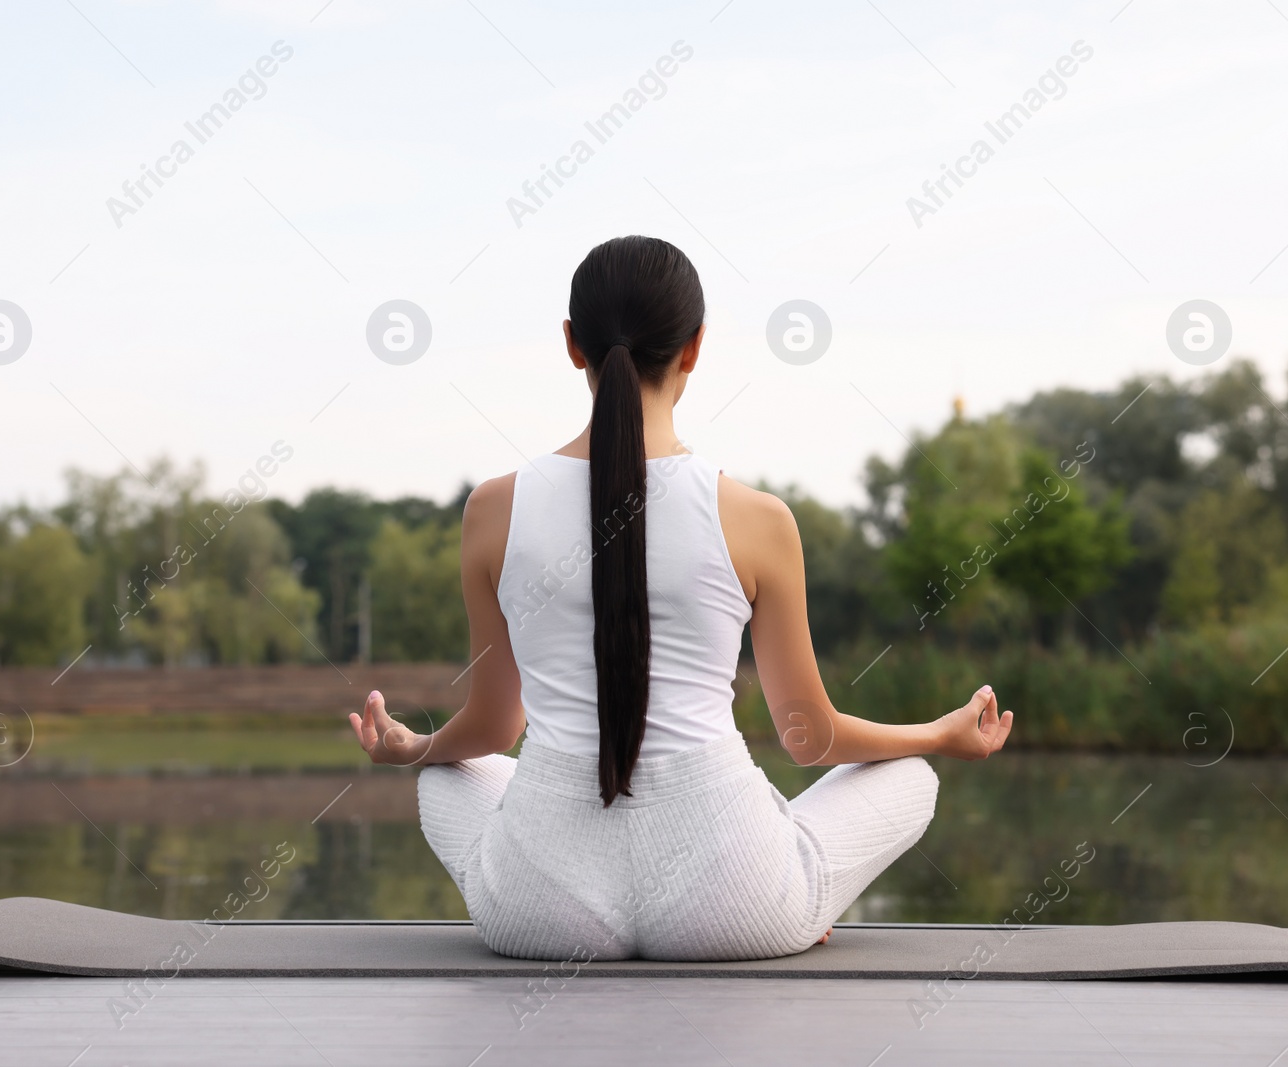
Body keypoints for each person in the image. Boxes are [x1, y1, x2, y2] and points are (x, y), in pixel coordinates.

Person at [348, 235, 1014, 962]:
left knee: (447, 777)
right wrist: (938, 734)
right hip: (737, 906)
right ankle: (792, 886)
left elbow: (494, 725)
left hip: (540, 912)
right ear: (694, 347)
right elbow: (809, 737)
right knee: (910, 777)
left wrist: (415, 747)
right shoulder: (758, 519)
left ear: (573, 345)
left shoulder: (492, 510)